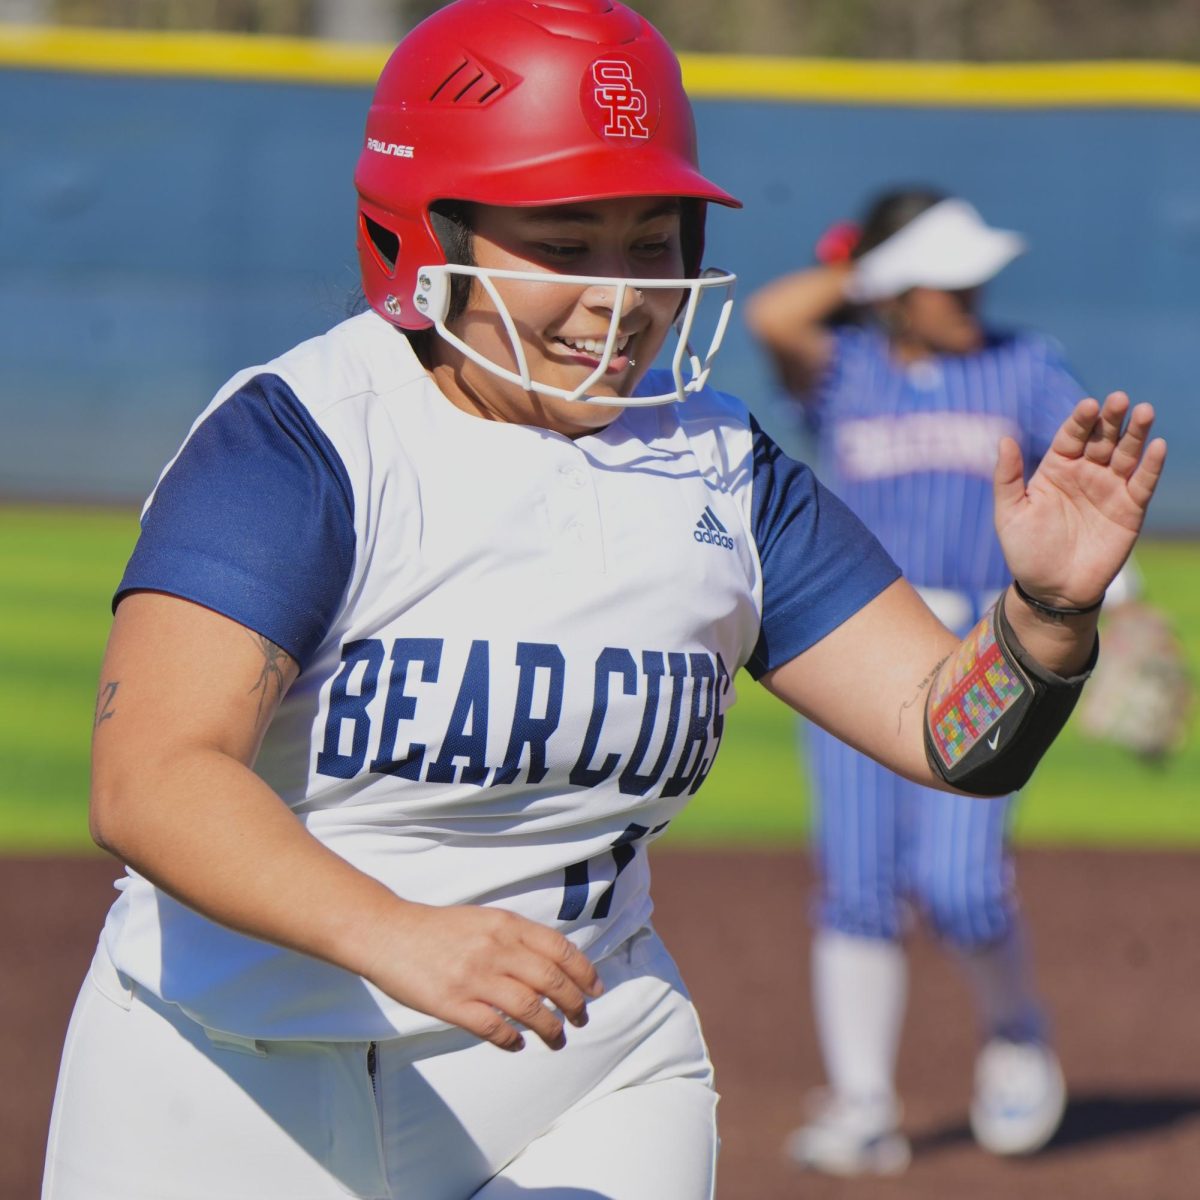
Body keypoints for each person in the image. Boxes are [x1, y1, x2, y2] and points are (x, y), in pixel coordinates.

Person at [41, 5, 1164, 1196]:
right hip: (219, 1072)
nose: (622, 298)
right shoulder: (305, 444)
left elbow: (950, 731)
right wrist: (395, 930)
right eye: (567, 244)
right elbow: (152, 774)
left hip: (576, 1070)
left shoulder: (721, 471)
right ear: (424, 237)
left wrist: (1044, 615)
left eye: (654, 239)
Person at [744, 187, 1136, 1175]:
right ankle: (865, 1103)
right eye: (945, 278)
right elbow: (772, 314)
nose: (970, 293)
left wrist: (1119, 613)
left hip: (986, 652)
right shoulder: (849, 371)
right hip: (854, 653)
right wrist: (869, 269)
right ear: (895, 289)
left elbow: (1085, 480)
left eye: (973, 275)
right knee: (861, 888)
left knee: (960, 885)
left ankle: (1014, 1034)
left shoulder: (1023, 365)